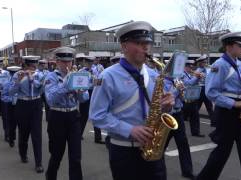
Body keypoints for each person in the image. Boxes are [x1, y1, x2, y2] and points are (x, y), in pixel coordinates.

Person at [89, 21, 174, 180]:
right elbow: (96, 115)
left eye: (147, 43)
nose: (145, 47)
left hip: (153, 149)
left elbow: (156, 108)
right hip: (124, 151)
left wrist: (167, 106)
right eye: (139, 43)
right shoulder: (107, 76)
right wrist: (129, 130)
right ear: (124, 46)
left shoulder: (155, 75)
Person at [196, 31, 241, 180]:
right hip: (227, 112)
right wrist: (235, 103)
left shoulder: (240, 64)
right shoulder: (219, 65)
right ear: (229, 46)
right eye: (240, 46)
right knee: (221, 153)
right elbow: (211, 92)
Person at [44, 47, 89, 180]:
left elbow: (84, 98)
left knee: (76, 157)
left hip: (73, 116)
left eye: (69, 62)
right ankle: (50, 176)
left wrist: (80, 91)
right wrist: (66, 84)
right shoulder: (51, 77)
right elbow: (51, 99)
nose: (67, 65)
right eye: (63, 62)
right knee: (57, 154)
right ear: (57, 62)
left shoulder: (77, 75)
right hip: (57, 116)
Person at [9, 56, 44, 173]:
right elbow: (11, 92)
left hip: (36, 103)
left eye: (34, 65)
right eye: (30, 65)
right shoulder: (17, 75)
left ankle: (38, 163)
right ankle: (23, 154)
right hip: (22, 104)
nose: (32, 67)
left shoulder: (40, 75)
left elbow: (42, 89)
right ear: (25, 65)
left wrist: (31, 78)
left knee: (37, 134)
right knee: (23, 133)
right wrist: (19, 81)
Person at [181, 59, 205, 137]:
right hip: (185, 99)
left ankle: (196, 132)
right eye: (188, 67)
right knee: (181, 118)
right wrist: (196, 77)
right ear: (184, 67)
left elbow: (195, 83)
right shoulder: (182, 75)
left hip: (192, 97)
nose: (190, 68)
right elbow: (188, 83)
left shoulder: (191, 74)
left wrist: (199, 78)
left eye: (191, 67)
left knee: (195, 116)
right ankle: (179, 133)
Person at [1, 65, 21, 147]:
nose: (14, 75)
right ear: (10, 74)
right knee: (11, 123)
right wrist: (11, 100)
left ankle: (20, 141)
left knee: (21, 124)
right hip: (11, 105)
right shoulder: (6, 83)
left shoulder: (22, 81)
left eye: (15, 73)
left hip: (20, 104)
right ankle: (11, 138)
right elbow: (3, 96)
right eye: (13, 73)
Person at [195, 55, 215, 126]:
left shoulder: (207, 69)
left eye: (205, 62)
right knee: (198, 107)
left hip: (206, 89)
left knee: (209, 107)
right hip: (200, 90)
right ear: (200, 63)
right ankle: (193, 119)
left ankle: (213, 122)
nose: (205, 63)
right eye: (204, 62)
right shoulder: (198, 70)